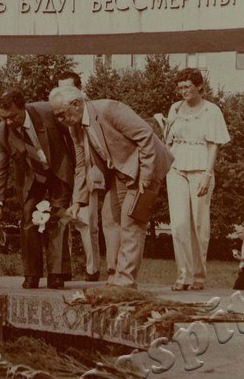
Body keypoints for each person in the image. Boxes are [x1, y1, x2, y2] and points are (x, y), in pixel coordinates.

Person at [49, 85, 174, 289]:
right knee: (109, 218)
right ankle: (114, 275)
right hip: (120, 172)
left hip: (145, 166)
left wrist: (146, 176)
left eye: (62, 114)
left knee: (132, 221)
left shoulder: (109, 109)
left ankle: (126, 280)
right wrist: (78, 201)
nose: (61, 120)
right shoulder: (74, 128)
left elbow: (145, 135)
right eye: (57, 116)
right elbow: (81, 165)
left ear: (76, 104)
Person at [0, 90, 75, 289]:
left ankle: (57, 273)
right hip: (31, 178)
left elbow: (72, 137)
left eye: (13, 116)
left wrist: (78, 168)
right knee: (28, 219)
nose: (8, 122)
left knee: (57, 218)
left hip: (59, 171)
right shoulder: (0, 133)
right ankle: (31, 274)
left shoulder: (48, 112)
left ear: (23, 108)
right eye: (3, 118)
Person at [164, 68, 231, 291]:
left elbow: (213, 145)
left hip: (201, 168)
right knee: (179, 224)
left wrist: (207, 175)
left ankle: (198, 276)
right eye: (180, 87)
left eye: (187, 87)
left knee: (199, 224)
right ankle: (183, 275)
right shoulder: (175, 108)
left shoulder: (212, 111)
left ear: (199, 86)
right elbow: (168, 140)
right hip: (176, 167)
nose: (183, 91)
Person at [55, 71, 104, 282]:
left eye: (69, 88)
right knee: (64, 220)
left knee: (88, 221)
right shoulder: (57, 111)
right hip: (65, 170)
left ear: (79, 89)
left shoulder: (89, 112)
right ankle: (62, 269)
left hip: (90, 170)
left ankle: (93, 269)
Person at [233, 226, 244, 290]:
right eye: (238, 233)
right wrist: (239, 252)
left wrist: (239, 258)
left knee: (237, 289)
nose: (239, 235)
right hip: (243, 269)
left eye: (241, 232)